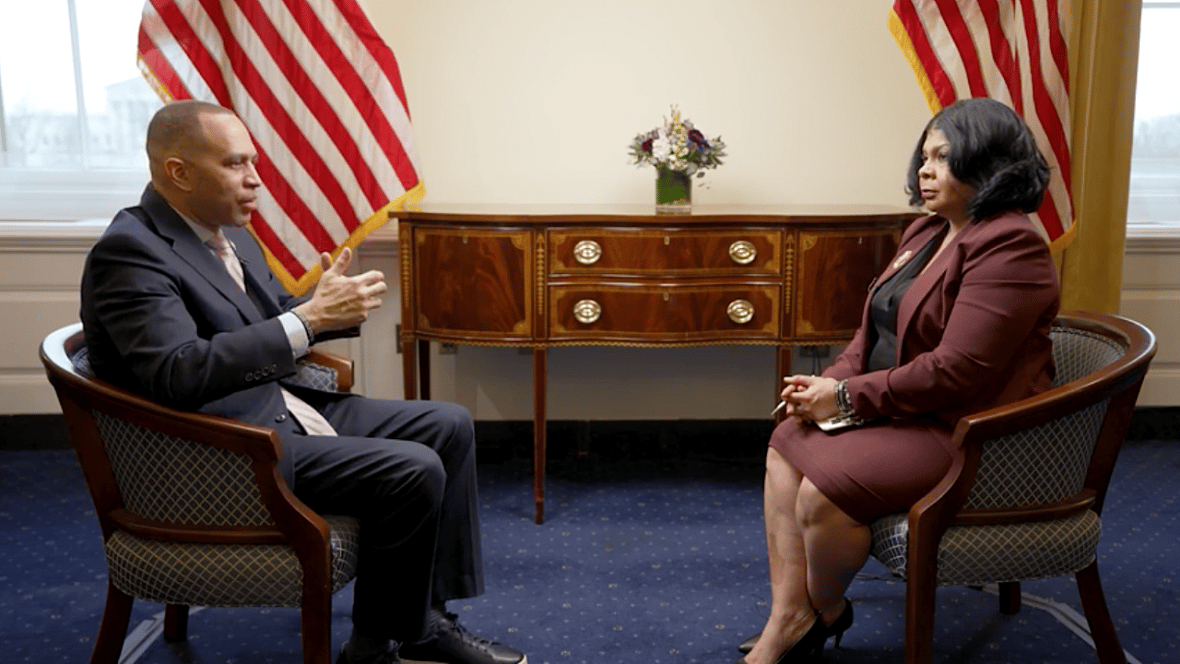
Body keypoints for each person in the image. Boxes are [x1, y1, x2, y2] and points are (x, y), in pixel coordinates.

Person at [80, 100, 527, 664]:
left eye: (254, 162)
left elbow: (266, 318)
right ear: (179, 172)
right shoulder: (130, 254)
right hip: (222, 450)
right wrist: (308, 320)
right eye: (235, 164)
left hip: (271, 408)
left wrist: (324, 307)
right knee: (413, 469)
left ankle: (424, 622)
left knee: (448, 424)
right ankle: (375, 648)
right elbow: (179, 373)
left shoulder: (228, 235)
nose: (255, 180)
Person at [736, 97, 1060, 664]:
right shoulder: (927, 232)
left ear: (988, 164)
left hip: (968, 431)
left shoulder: (1010, 244)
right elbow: (870, 337)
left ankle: (821, 611)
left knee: (822, 492)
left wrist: (842, 398)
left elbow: (958, 372)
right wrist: (825, 385)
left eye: (943, 157)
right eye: (924, 156)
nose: (924, 170)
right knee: (786, 439)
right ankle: (792, 618)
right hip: (908, 411)